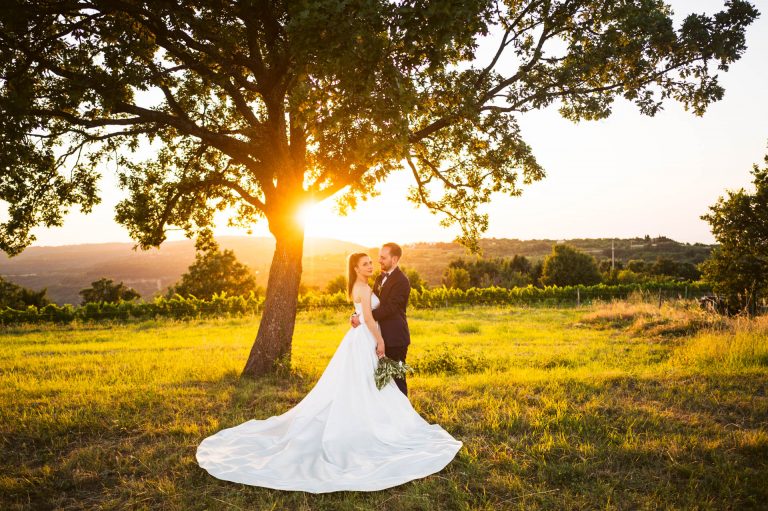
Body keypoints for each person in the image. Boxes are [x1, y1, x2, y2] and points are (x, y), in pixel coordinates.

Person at [196, 253, 462, 493]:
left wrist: (359, 317)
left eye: (374, 261)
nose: (372, 265)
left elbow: (370, 311)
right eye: (366, 263)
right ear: (356, 269)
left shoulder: (366, 284)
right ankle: (376, 424)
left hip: (363, 337)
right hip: (367, 339)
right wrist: (378, 339)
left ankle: (384, 419)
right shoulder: (364, 286)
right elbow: (370, 317)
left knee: (369, 384)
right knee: (366, 384)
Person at [351, 242, 411, 395]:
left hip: (395, 337)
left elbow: (390, 308)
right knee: (384, 383)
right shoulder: (379, 278)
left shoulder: (402, 281)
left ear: (394, 259)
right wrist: (357, 314)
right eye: (379, 257)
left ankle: (404, 409)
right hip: (378, 336)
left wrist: (362, 318)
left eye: (383, 258)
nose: (379, 261)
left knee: (397, 378)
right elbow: (369, 304)